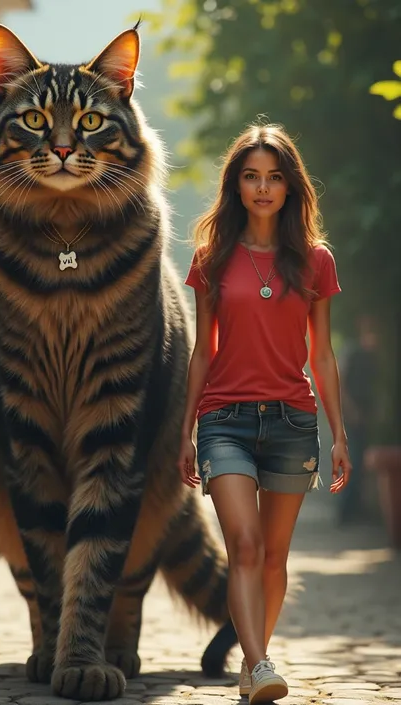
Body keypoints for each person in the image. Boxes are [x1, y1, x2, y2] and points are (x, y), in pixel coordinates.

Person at [178, 123, 352, 704]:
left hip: (293, 421)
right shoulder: (212, 258)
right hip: (224, 419)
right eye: (251, 176)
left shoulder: (315, 261)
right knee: (245, 546)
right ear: (236, 186)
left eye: (274, 177)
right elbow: (204, 350)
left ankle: (255, 668)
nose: (262, 188)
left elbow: (321, 355)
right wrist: (185, 431)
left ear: (290, 187)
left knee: (275, 556)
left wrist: (341, 433)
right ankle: (260, 661)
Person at [338, 314, 378, 524]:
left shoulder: (373, 354)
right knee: (352, 460)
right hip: (352, 416)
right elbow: (341, 384)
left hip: (367, 415)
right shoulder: (352, 351)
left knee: (362, 463)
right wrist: (351, 411)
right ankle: (345, 512)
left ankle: (356, 510)